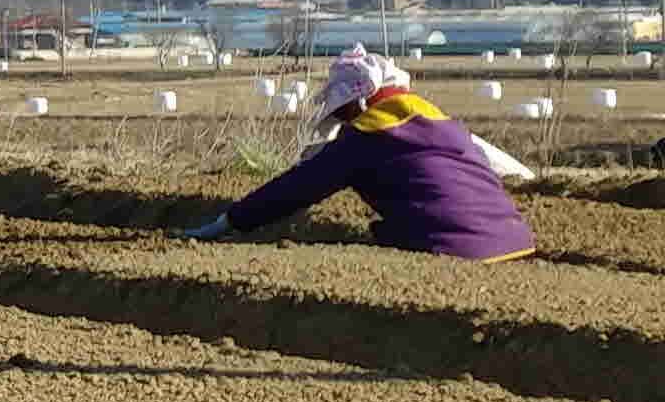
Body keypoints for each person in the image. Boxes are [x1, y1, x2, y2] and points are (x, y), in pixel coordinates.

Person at [180, 50, 536, 261]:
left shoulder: (367, 137)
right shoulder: (444, 123)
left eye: (344, 111)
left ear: (359, 101)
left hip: (454, 248)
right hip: (517, 242)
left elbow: (295, 189)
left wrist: (229, 222)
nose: (344, 120)